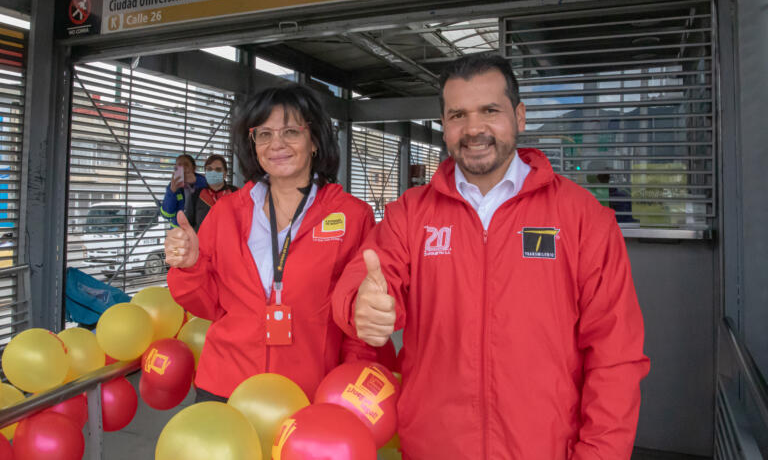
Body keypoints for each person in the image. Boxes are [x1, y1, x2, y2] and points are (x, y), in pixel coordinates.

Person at [332, 53, 650, 460]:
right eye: (458, 115)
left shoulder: (583, 218)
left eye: (489, 111)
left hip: (545, 448)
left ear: (519, 116)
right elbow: (367, 276)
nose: (474, 128)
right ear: (444, 126)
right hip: (433, 447)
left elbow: (616, 357)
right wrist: (360, 302)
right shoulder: (409, 214)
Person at [164, 84, 381, 401]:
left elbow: (360, 318)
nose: (276, 144)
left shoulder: (351, 216)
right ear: (253, 144)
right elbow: (207, 305)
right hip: (226, 386)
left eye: (291, 131)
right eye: (263, 134)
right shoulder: (226, 213)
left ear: (315, 140)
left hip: (309, 391)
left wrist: (351, 381)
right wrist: (190, 266)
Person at [185, 154, 238, 231]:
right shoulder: (196, 195)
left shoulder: (236, 193)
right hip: (203, 242)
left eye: (218, 170)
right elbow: (189, 225)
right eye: (209, 169)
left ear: (225, 173)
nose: (213, 173)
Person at [160, 154, 207, 228]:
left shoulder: (202, 181)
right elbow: (167, 214)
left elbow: (212, 186)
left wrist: (196, 180)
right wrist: (172, 192)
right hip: (178, 233)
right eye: (179, 165)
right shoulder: (172, 186)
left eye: (186, 164)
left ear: (194, 168)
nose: (183, 168)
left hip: (197, 231)